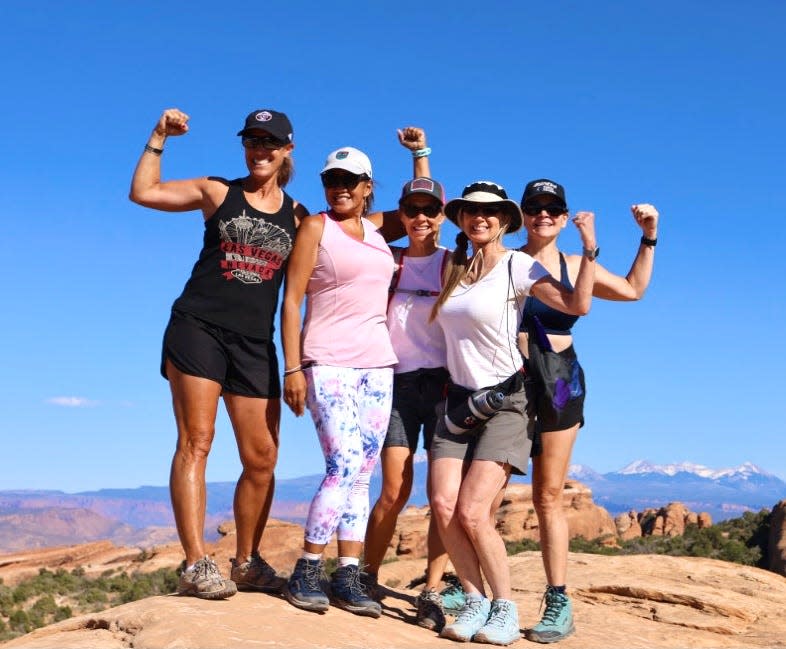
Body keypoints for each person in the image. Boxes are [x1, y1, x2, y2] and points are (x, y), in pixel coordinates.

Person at [129, 107, 308, 599]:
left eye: (270, 142)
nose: (260, 149)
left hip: (254, 342)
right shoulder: (217, 191)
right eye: (252, 141)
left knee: (262, 458)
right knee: (198, 441)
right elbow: (143, 192)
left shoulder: (299, 216)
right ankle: (195, 564)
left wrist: (421, 163)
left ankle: (246, 561)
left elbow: (379, 225)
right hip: (198, 327)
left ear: (287, 150)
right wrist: (158, 135)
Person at [428, 181, 597, 646]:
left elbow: (577, 304)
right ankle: (474, 597)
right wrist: (420, 155)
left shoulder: (519, 265)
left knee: (474, 510)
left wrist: (589, 248)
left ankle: (504, 607)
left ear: (504, 220)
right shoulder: (453, 266)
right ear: (462, 218)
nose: (479, 218)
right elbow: (418, 218)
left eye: (490, 212)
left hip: (506, 401)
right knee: (443, 506)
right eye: (470, 211)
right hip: (457, 399)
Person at [281, 133, 429, 617]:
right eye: (331, 180)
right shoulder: (315, 228)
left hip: (378, 365)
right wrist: (293, 366)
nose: (339, 187)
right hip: (327, 360)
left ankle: (347, 575)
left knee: (363, 473)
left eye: (349, 181)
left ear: (367, 186)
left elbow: (420, 204)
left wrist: (418, 154)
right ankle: (306, 568)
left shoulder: (377, 229)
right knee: (342, 463)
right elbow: (292, 300)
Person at [517, 179, 658, 643]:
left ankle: (557, 601)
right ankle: (459, 586)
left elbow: (635, 290)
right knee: (471, 493)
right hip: (507, 383)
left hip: (558, 383)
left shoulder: (577, 264)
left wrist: (648, 235)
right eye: (534, 207)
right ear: (521, 213)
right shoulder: (504, 259)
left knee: (548, 495)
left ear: (563, 215)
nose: (543, 215)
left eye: (552, 208)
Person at [361, 163, 454, 630]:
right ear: (401, 213)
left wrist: (423, 154)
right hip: (396, 385)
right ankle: (367, 575)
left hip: (442, 387)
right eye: (413, 209)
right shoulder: (388, 258)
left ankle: (433, 590)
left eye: (431, 209)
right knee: (394, 489)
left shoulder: (454, 262)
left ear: (443, 215)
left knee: (441, 497)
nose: (421, 217)